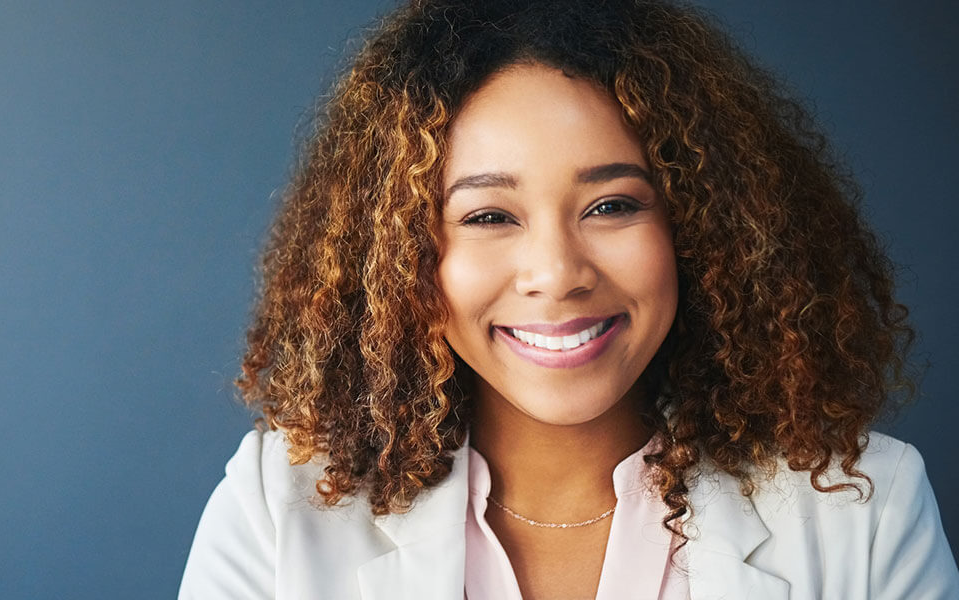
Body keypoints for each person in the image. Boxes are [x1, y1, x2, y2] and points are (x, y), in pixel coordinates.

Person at [180, 0, 959, 598]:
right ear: (396, 255)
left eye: (613, 205)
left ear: (702, 225)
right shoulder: (275, 508)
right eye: (489, 216)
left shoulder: (866, 509)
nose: (556, 273)